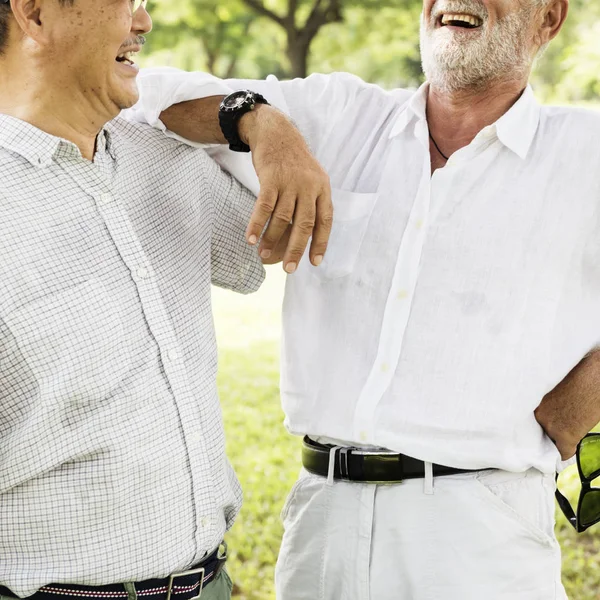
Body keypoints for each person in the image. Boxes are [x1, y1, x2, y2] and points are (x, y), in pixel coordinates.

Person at [127, 0, 600, 597]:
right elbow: (142, 96)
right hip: (322, 522)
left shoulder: (586, 155)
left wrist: (580, 403)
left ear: (550, 19)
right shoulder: (339, 115)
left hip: (483, 531)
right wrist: (261, 122)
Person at [0, 1, 331, 600]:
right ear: (35, 14)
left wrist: (259, 119)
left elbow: (289, 239)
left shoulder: (163, 159)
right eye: (123, 2)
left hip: (208, 583)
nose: (144, 22)